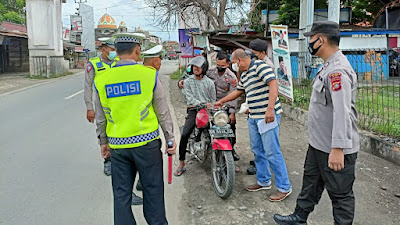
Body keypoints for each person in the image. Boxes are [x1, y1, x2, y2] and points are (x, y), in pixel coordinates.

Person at [273, 21, 360, 225]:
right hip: (319, 143)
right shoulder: (328, 66)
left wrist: (338, 148)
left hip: (336, 147)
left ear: (320, 39)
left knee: (341, 195)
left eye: (311, 39)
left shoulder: (338, 71)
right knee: (311, 183)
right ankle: (299, 218)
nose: (309, 43)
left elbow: (342, 112)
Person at [94, 33, 176, 225]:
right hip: (147, 145)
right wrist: (170, 139)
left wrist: (103, 142)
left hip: (118, 147)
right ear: (137, 50)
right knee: (152, 190)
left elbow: (101, 117)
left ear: (116, 51)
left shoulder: (102, 79)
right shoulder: (149, 75)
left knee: (121, 194)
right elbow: (162, 111)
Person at [215, 49, 292, 202]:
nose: (232, 66)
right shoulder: (244, 74)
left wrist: (270, 109)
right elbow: (239, 91)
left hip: (267, 116)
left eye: (233, 63)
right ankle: (263, 181)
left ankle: (284, 187)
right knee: (257, 149)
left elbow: (273, 86)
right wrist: (221, 101)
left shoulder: (260, 67)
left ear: (239, 61)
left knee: (272, 151)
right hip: (254, 116)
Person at [178, 51, 240, 161]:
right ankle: (181, 160)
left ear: (228, 64)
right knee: (186, 133)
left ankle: (230, 151)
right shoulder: (210, 72)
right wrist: (181, 81)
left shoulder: (232, 77)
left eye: (222, 66)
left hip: (222, 106)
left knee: (229, 127)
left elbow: (234, 96)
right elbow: (194, 75)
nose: (219, 67)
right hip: (202, 106)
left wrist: (232, 112)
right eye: (218, 65)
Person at [175, 56, 216, 176]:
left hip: (207, 111)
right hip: (193, 110)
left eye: (198, 66)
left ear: (204, 68)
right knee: (185, 134)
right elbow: (189, 98)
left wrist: (211, 106)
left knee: (220, 130)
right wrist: (201, 104)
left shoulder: (210, 82)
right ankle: (181, 163)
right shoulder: (187, 82)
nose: (195, 68)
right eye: (193, 66)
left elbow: (213, 99)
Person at [84, 37, 117, 176]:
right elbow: (88, 87)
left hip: (117, 102)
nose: (114, 52)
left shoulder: (118, 63)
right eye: (112, 49)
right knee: (102, 127)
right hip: (100, 103)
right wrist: (89, 107)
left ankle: (119, 158)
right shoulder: (94, 64)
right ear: (104, 49)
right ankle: (107, 160)